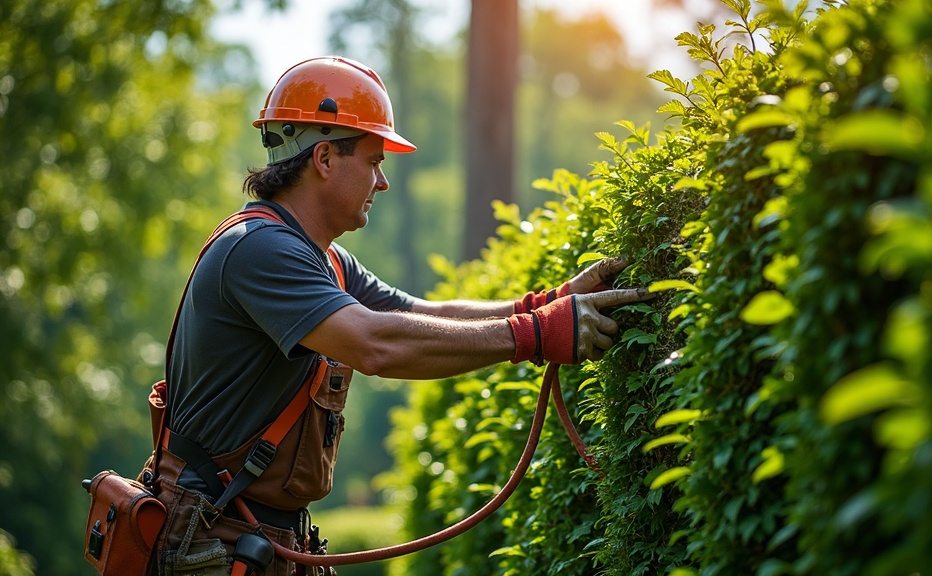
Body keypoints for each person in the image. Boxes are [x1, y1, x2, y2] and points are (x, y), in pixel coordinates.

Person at [145, 56, 646, 576]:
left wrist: (542, 306)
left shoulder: (325, 260)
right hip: (211, 541)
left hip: (245, 536)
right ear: (324, 158)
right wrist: (537, 335)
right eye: (373, 161)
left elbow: (419, 314)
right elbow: (375, 344)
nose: (382, 182)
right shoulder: (260, 249)